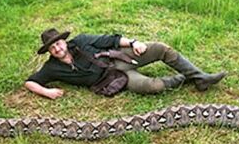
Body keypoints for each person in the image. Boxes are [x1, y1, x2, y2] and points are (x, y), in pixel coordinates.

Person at [24, 28, 226, 99]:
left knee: (160, 48)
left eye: (58, 43)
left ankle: (200, 77)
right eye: (52, 48)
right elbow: (30, 82)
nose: (57, 49)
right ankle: (187, 78)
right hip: (115, 78)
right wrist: (47, 92)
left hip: (121, 57)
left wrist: (133, 42)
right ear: (49, 51)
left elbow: (109, 40)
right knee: (153, 87)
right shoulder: (52, 68)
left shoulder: (81, 41)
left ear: (63, 41)